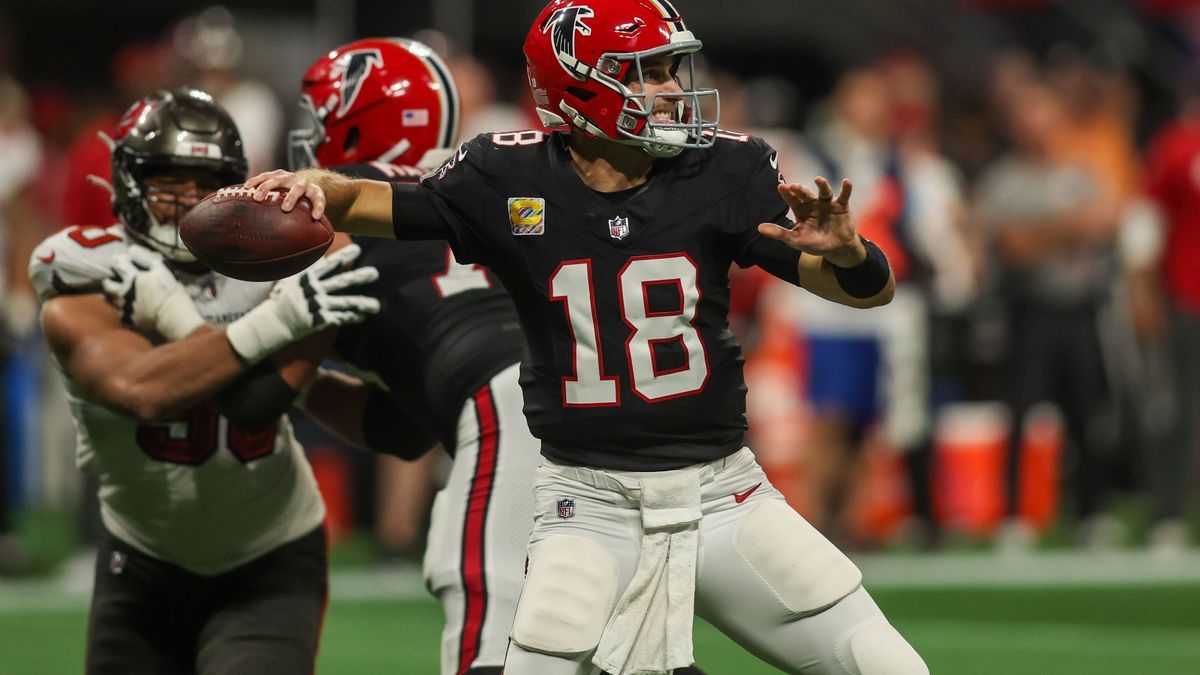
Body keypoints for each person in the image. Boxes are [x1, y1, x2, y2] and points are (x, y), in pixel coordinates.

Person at [249, 1, 927, 673]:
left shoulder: (723, 170)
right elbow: (367, 200)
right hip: (587, 505)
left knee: (885, 664)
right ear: (577, 90)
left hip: (724, 495)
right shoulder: (506, 175)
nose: (671, 91)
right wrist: (306, 187)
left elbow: (866, 288)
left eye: (671, 70)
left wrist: (846, 253)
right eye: (646, 73)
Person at [28, 87, 379, 674]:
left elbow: (254, 404)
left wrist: (187, 314)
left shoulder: (282, 262)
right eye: (168, 179)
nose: (188, 198)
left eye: (205, 181)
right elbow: (143, 390)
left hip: (271, 550)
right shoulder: (86, 274)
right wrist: (279, 319)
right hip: (141, 555)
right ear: (127, 181)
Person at [287, 37, 540, 675]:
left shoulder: (336, 212)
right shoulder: (487, 180)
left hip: (506, 408)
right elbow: (403, 427)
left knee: (490, 636)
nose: (309, 133)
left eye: (322, 116)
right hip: (585, 400)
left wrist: (262, 358)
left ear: (357, 120)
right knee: (625, 646)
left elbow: (267, 384)